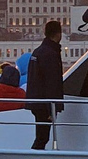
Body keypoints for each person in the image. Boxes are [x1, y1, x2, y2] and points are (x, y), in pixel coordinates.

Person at [26, 20, 64, 150]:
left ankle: (34, 158)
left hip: (36, 101)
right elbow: (52, 82)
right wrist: (51, 107)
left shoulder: (38, 52)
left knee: (41, 135)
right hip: (44, 104)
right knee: (43, 137)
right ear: (59, 34)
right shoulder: (50, 54)